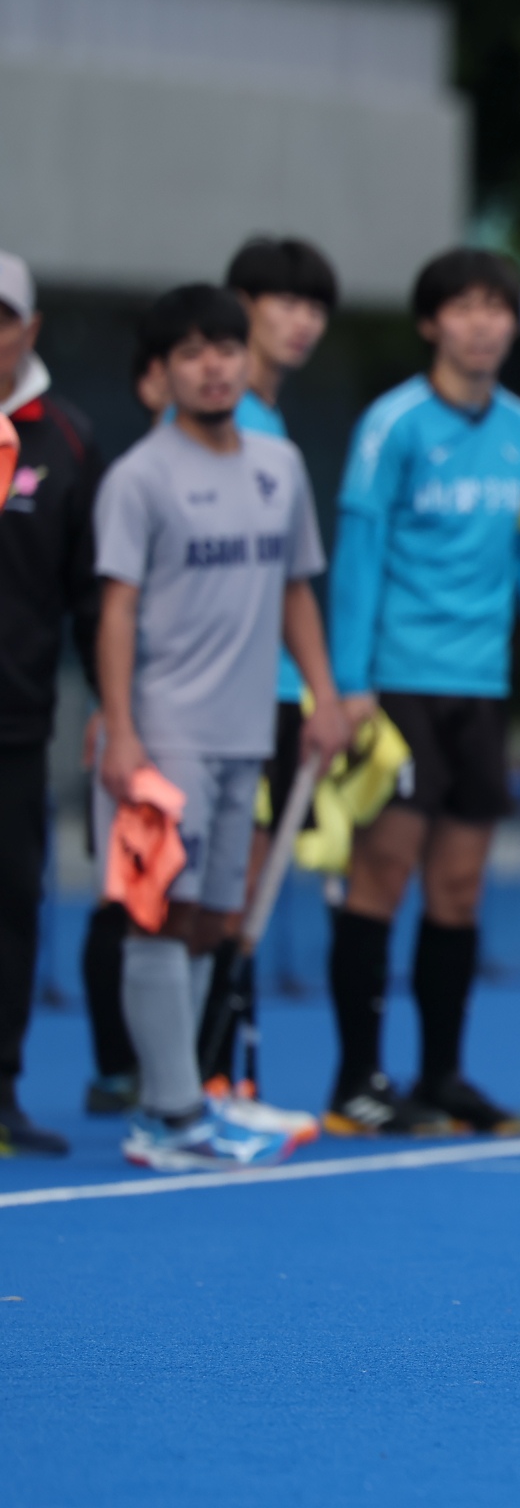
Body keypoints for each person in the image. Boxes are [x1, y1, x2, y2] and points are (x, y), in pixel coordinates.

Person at [322, 247, 520, 1137]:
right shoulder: (392, 427)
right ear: (430, 322)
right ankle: (356, 1080)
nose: (482, 325)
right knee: (382, 873)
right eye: (464, 307)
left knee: (459, 885)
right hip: (397, 683)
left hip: (479, 685)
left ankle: (441, 1075)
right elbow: (358, 557)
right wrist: (349, 683)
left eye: (497, 308)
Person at [95, 284, 348, 1170]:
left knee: (212, 918)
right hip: (167, 734)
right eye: (192, 353)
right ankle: (165, 1116)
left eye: (227, 350)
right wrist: (120, 730)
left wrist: (323, 696)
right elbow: (116, 609)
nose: (214, 368)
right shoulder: (139, 478)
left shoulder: (280, 467)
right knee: (158, 916)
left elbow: (294, 590)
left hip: (248, 732)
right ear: (161, 373)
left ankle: (187, 1099)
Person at [187, 236, 340, 1089]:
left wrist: (320, 691)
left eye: (314, 306)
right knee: (213, 894)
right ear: (241, 307)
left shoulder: (273, 429)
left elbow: (293, 582)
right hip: (216, 697)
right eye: (283, 302)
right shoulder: (217, 421)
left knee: (244, 892)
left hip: (275, 695)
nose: (301, 321)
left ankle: (220, 1075)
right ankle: (191, 1077)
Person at [0, 250, 101, 1155]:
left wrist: (114, 705)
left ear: (29, 329)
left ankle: (0, 1090)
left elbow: (94, 595)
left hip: (16, 723)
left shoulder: (66, 440)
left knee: (10, 904)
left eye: (0, 317)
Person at [80, 346, 168, 1118]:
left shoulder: (264, 461)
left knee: (199, 901)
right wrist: (111, 713)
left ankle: (188, 1076)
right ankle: (117, 1066)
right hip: (137, 718)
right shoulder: (131, 481)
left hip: (227, 718)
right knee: (126, 893)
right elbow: (106, 608)